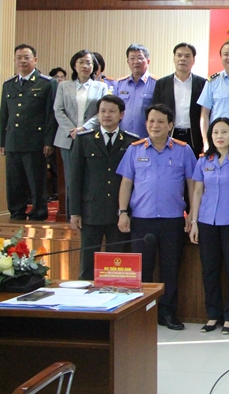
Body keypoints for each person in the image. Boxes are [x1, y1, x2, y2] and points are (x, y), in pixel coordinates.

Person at [116, 103, 196, 330]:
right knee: (144, 270)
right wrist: (122, 212)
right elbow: (126, 183)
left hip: (173, 220)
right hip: (142, 220)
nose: (155, 125)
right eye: (151, 121)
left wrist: (192, 214)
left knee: (171, 269)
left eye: (161, 121)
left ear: (170, 125)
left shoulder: (183, 150)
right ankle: (144, 314)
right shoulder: (135, 149)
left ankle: (167, 313)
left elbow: (192, 184)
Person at [188, 117, 229, 335]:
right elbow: (197, 192)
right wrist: (194, 222)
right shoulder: (203, 161)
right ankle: (213, 314)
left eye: (224, 132)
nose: (219, 136)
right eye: (215, 132)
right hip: (207, 222)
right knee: (210, 270)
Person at [66, 95, 138, 280]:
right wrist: (74, 212)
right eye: (103, 111)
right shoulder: (84, 140)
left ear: (121, 114)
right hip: (91, 211)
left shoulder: (131, 142)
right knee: (88, 266)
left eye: (112, 111)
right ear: (97, 114)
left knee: (118, 266)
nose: (107, 115)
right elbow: (75, 178)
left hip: (119, 212)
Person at [0, 44, 58, 220]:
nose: (22, 61)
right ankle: (16, 212)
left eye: (26, 57)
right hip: (13, 140)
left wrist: (49, 141)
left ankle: (38, 212)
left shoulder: (47, 83)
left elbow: (50, 115)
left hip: (35, 141)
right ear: (15, 60)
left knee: (36, 180)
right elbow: (4, 115)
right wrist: (2, 141)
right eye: (19, 58)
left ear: (35, 60)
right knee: (14, 180)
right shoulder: (9, 84)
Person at [53, 49, 109, 219]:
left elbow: (102, 112)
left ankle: (90, 214)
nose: (85, 66)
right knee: (71, 178)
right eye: (81, 62)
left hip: (91, 138)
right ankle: (71, 214)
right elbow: (58, 110)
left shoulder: (101, 86)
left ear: (94, 67)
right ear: (74, 65)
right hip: (67, 138)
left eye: (88, 63)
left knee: (91, 178)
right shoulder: (63, 86)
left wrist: (83, 129)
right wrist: (72, 130)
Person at [152, 42, 207, 157]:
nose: (183, 59)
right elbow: (155, 111)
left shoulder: (203, 83)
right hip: (170, 134)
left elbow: (206, 113)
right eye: (179, 55)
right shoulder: (162, 83)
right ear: (174, 58)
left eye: (187, 56)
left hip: (194, 136)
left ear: (193, 60)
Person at [114, 44, 156, 139]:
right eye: (132, 58)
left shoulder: (157, 84)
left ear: (148, 61)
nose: (136, 62)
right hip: (122, 138)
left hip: (146, 138)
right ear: (128, 62)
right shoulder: (119, 84)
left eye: (140, 58)